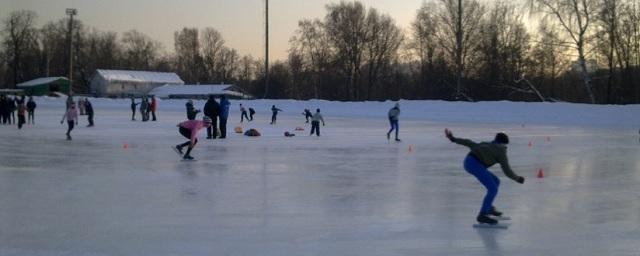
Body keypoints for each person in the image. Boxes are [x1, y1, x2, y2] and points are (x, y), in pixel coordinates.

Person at [444, 129, 525, 225]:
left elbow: (468, 142)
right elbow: (506, 170)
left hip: (469, 162)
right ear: (503, 144)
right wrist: (517, 178)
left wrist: (453, 138)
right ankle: (482, 215)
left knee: (496, 181)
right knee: (493, 189)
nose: (505, 147)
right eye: (505, 145)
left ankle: (488, 207)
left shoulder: (487, 144)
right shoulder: (501, 151)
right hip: (474, 165)